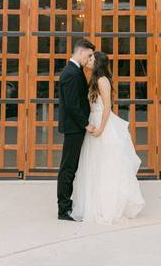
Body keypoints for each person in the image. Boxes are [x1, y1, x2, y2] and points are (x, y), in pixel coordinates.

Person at [69, 50, 145, 224]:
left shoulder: (103, 81)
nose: (89, 60)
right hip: (93, 122)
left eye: (92, 59)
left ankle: (106, 206)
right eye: (89, 58)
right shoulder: (92, 80)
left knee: (105, 165)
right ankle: (93, 204)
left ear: (98, 64)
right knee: (93, 164)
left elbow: (107, 108)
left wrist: (101, 128)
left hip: (102, 124)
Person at [56, 38, 95, 221]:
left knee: (71, 166)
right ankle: (63, 209)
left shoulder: (76, 70)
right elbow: (72, 105)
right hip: (73, 128)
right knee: (68, 168)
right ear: (80, 51)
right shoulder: (70, 73)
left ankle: (66, 205)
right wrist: (85, 124)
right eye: (88, 55)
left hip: (75, 127)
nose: (89, 59)